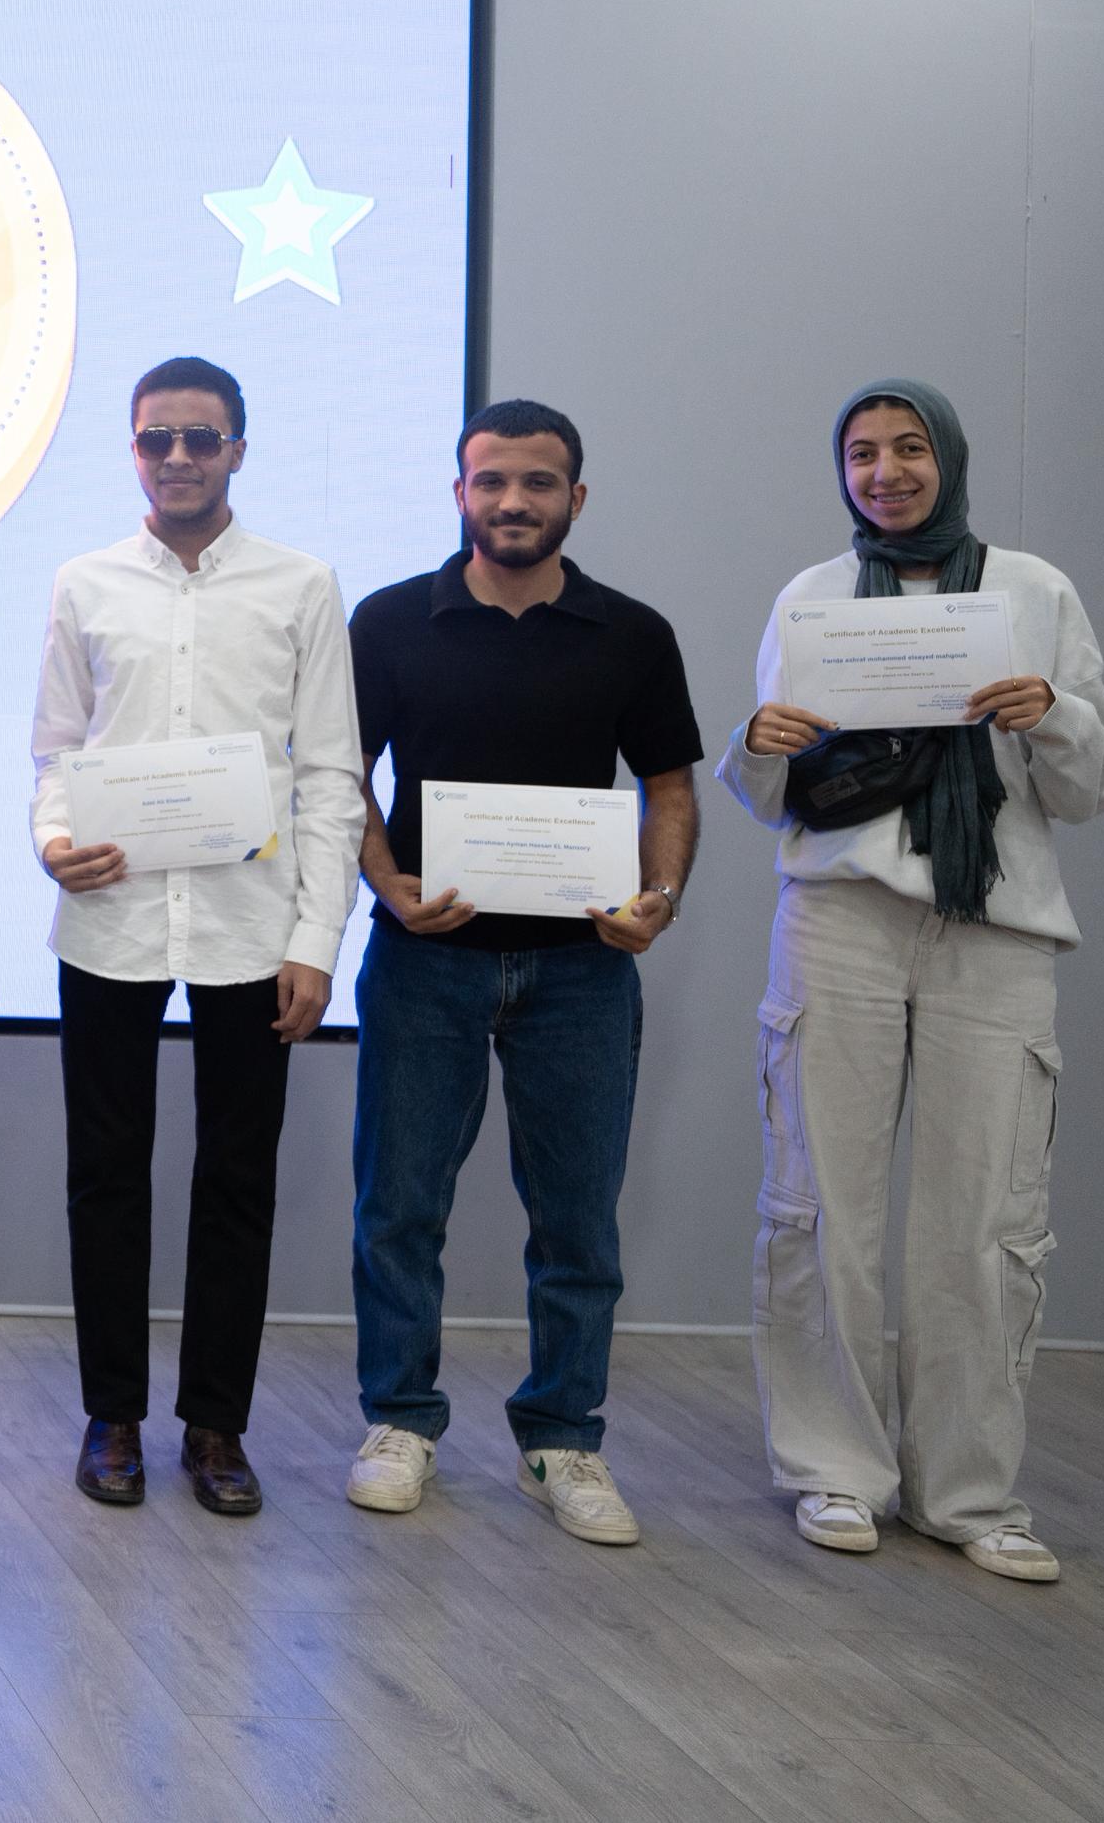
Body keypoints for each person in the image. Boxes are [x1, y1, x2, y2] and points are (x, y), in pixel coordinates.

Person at [724, 378, 1104, 1583]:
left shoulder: (1032, 589)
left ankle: (968, 1490)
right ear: (839, 468)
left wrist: (1047, 713)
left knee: (984, 1217)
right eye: (860, 451)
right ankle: (833, 1470)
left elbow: (1094, 785)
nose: (884, 470)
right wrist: (758, 745)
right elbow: (767, 791)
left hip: (992, 923)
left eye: (906, 448)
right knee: (818, 1202)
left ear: (946, 457)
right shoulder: (809, 592)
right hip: (837, 916)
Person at [344, 398, 701, 1547]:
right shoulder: (386, 621)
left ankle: (562, 1437)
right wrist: (387, 883)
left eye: (536, 481)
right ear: (458, 492)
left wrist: (657, 895)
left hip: (579, 971)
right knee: (398, 1207)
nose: (511, 500)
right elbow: (339, 773)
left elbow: (669, 786)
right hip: (423, 960)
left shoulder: (630, 633)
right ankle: (398, 1420)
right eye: (489, 479)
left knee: (576, 1220)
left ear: (573, 498)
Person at [28, 356, 361, 1518]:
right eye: (154, 437)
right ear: (132, 449)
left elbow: (329, 773)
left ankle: (216, 1423)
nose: (176, 457)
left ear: (235, 450)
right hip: (110, 919)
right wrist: (51, 835)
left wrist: (315, 937)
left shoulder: (299, 585)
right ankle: (111, 1414)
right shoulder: (83, 582)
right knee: (103, 1176)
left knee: (235, 1181)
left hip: (248, 928)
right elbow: (55, 749)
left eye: (199, 437)